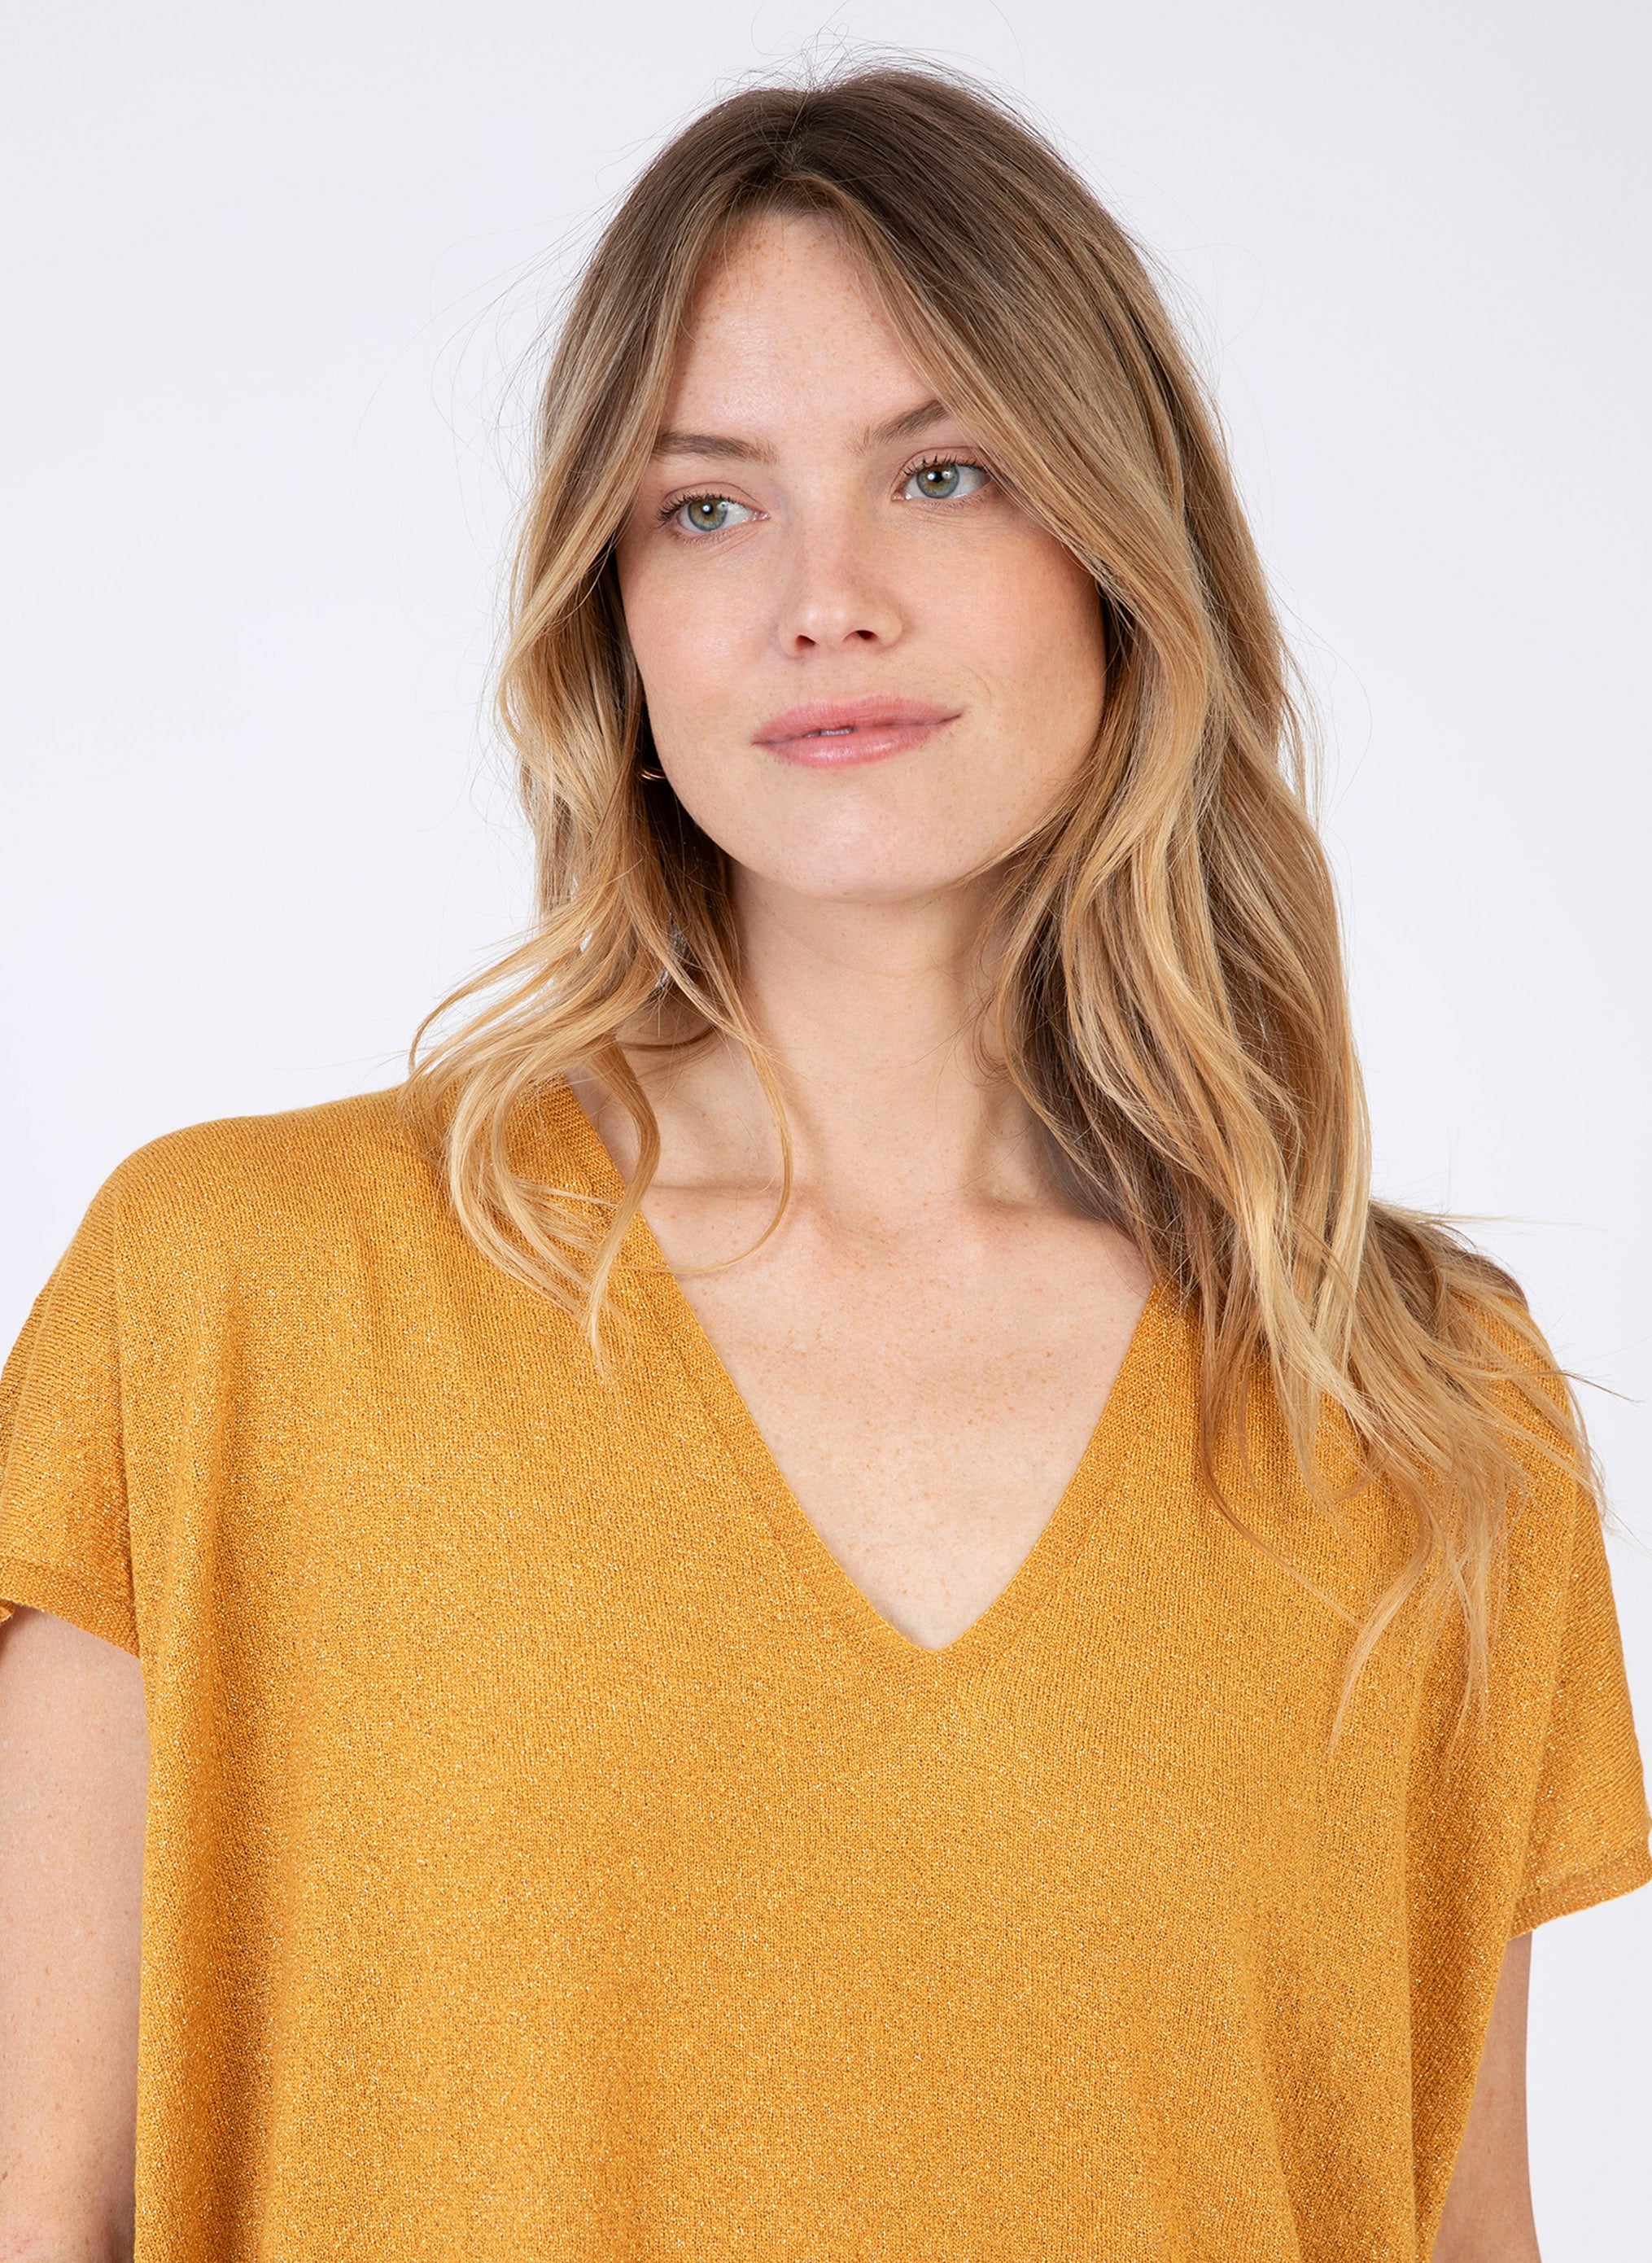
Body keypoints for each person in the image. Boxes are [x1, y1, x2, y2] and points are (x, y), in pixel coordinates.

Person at [0, 62, 1645, 2263]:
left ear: (1120, 551)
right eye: (706, 506)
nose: (826, 596)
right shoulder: (236, 1300)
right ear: (613, 617)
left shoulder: (1415, 1398)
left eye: (944, 473)